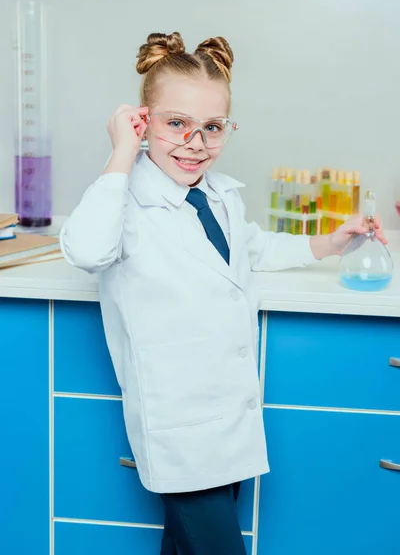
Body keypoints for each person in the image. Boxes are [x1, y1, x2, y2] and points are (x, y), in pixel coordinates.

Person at [60, 32, 387, 555]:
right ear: (143, 121)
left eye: (212, 128)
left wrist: (329, 242)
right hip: (180, 424)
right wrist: (122, 151)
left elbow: (250, 249)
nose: (195, 143)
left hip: (228, 417)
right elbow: (86, 249)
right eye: (176, 124)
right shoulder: (123, 200)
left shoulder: (220, 196)